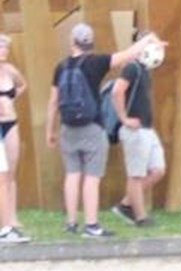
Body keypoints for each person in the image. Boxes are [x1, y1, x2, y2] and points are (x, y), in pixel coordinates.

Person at [45, 23, 166, 238]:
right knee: (92, 177)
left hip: (67, 127)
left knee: (72, 175)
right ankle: (91, 225)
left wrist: (49, 131)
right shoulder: (97, 62)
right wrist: (150, 40)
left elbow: (53, 102)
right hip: (92, 127)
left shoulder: (60, 67)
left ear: (72, 42)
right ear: (90, 41)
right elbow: (130, 53)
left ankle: (71, 223)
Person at [108, 31, 165, 228]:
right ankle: (140, 217)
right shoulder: (131, 67)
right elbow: (117, 91)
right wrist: (124, 118)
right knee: (136, 174)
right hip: (135, 130)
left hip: (147, 128)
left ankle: (126, 204)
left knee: (157, 170)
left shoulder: (143, 70)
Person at [0, 35, 27, 243]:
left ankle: (12, 217)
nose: (3, 50)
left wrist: (10, 100)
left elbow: (22, 84)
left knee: (11, 171)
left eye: (5, 47)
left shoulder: (10, 70)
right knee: (1, 174)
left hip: (11, 122)